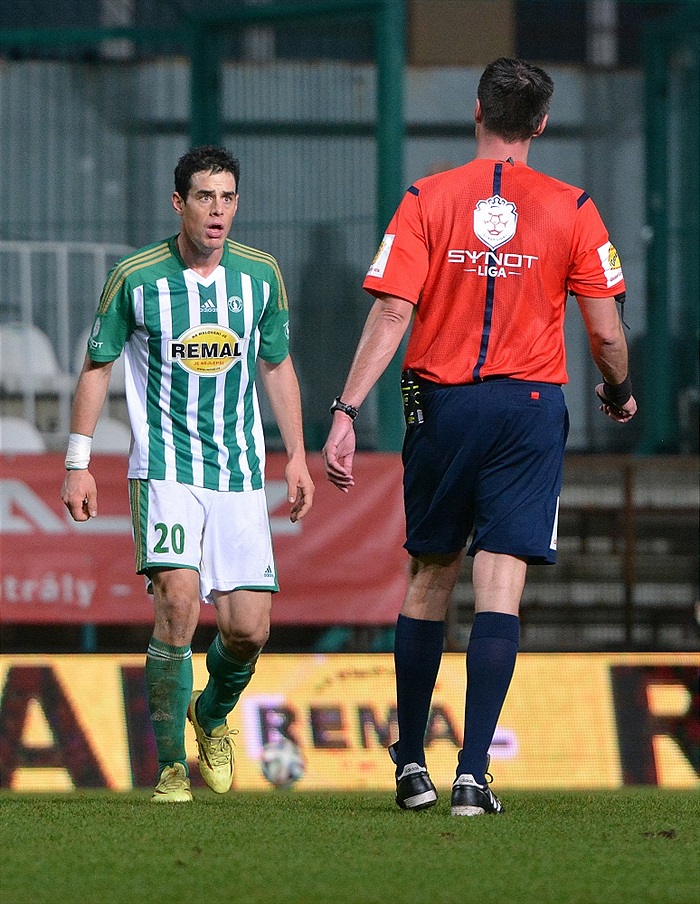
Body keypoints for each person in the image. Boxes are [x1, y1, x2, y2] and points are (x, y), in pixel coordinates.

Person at [322, 58, 637, 817]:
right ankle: (472, 775)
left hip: (443, 406)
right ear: (541, 124)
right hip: (529, 409)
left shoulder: (426, 198)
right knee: (501, 585)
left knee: (430, 575)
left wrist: (346, 409)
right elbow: (605, 332)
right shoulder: (575, 207)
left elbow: (392, 313)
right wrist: (619, 390)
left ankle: (411, 766)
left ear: (477, 111)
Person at [62, 145, 314, 803]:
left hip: (238, 474)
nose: (217, 210)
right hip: (165, 470)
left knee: (248, 630)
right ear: (180, 204)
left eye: (227, 197)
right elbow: (97, 366)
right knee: (177, 602)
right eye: (205, 196)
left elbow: (277, 365)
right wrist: (78, 463)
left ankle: (210, 713)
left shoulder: (260, 275)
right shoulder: (136, 277)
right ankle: (173, 766)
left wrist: (296, 454)